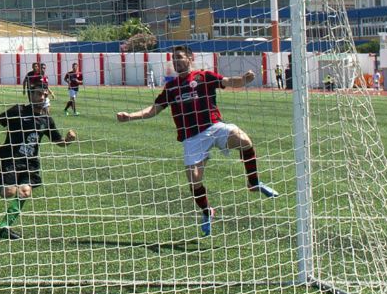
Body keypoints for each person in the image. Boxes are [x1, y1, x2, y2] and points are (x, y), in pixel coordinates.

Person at [115, 46, 277, 237]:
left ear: (190, 58)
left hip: (214, 127)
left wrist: (243, 80)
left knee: (243, 140)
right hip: (191, 138)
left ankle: (254, 182)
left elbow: (227, 81)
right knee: (194, 181)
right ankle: (207, 211)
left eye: (179, 57)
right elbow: (153, 110)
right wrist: (130, 116)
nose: (176, 61)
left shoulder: (203, 76)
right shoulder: (171, 87)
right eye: (173, 58)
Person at [0, 83, 77, 239]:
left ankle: (4, 227)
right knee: (8, 192)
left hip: (30, 163)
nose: (42, 97)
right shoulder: (18, 110)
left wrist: (68, 140)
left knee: (25, 192)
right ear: (31, 95)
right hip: (11, 157)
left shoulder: (46, 120)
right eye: (39, 94)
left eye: (45, 95)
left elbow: (59, 142)